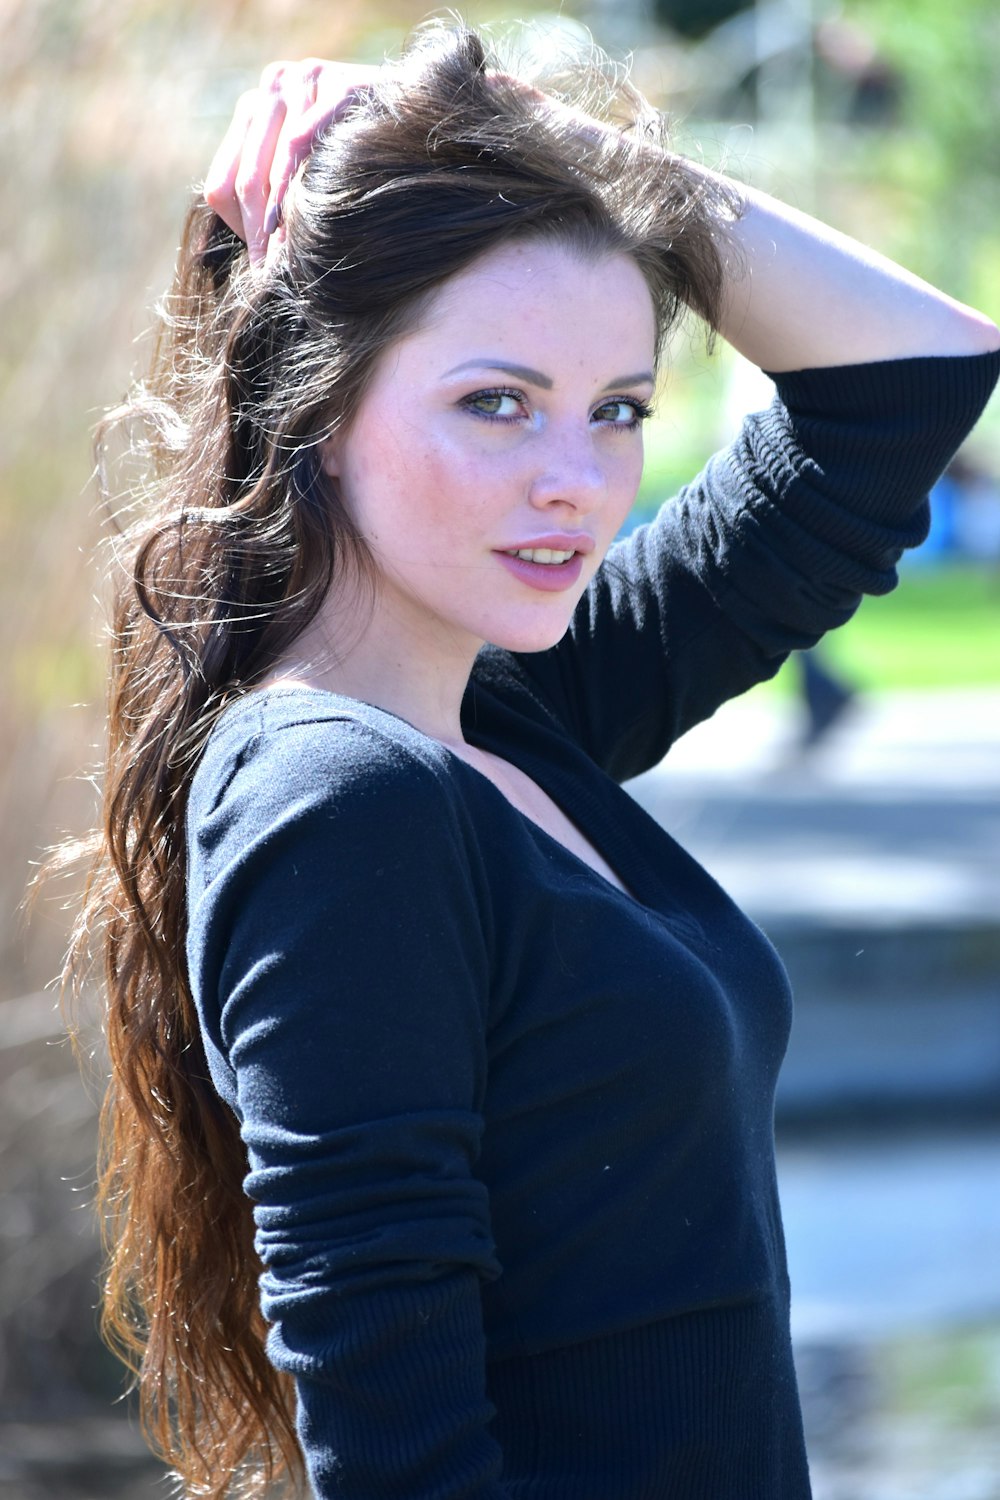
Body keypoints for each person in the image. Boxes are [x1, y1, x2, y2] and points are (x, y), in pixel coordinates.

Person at [72, 22, 999, 1500]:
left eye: (618, 409)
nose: (576, 480)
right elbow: (403, 1459)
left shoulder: (513, 713)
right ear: (316, 407)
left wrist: (554, 147)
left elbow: (912, 377)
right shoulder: (336, 802)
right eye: (494, 403)